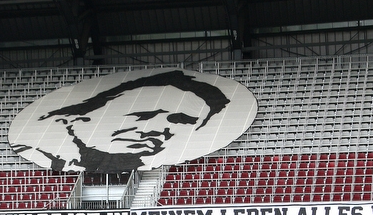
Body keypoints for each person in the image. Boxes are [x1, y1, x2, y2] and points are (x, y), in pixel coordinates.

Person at [13, 70, 231, 173]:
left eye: (180, 121)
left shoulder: (140, 162)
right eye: (145, 115)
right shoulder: (40, 149)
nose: (161, 130)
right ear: (86, 115)